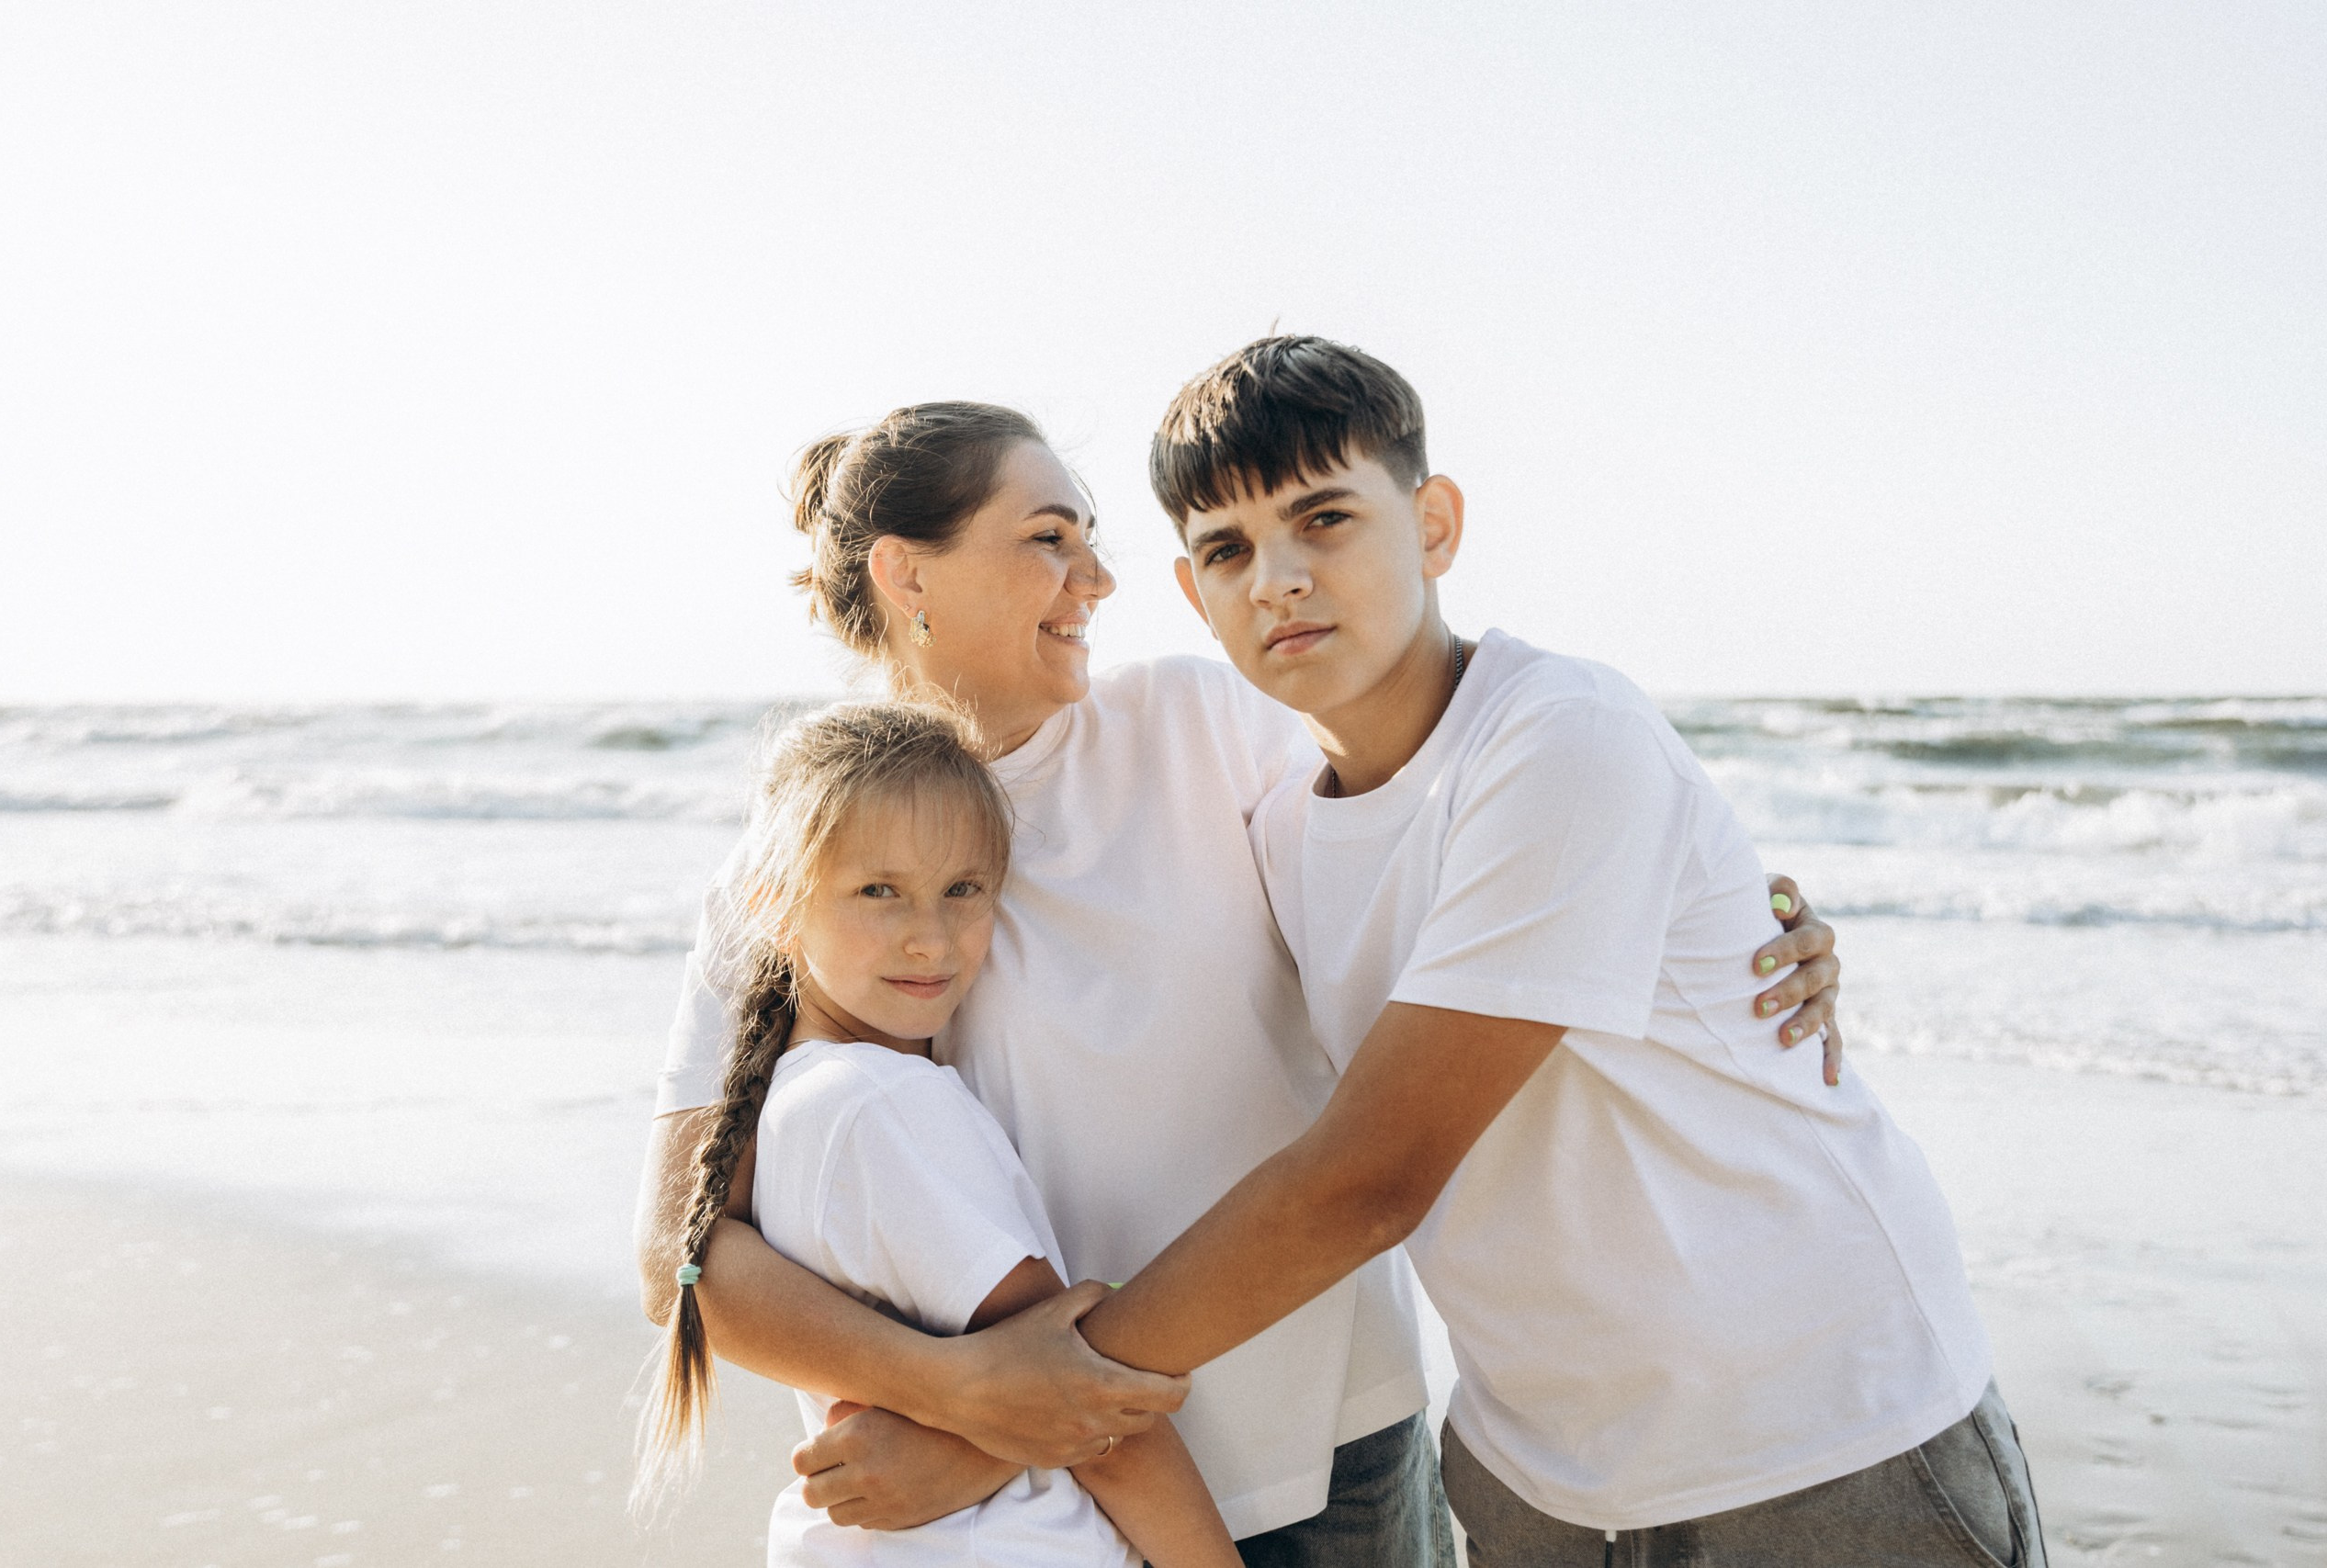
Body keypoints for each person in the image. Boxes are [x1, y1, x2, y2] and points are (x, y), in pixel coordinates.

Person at [633, 402, 1850, 1564]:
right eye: (1050, 541)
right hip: (1038, 1504)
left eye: (1093, 539)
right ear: (908, 577)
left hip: (1324, 1448)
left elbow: (1458, 851)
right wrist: (964, 1398)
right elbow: (685, 1260)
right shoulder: (797, 858)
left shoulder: (1201, 723)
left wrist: (1714, 900)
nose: (1098, 578)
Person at [1068, 335, 2047, 1566]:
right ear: (1192, 587)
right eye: (1229, 548)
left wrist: (1028, 1398)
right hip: (1541, 1476)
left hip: (1822, 1439)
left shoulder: (1560, 735)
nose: (1278, 578)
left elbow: (1371, 1174)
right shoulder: (1273, 824)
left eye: (1324, 519)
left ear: (1434, 523)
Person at [634, 699, 1240, 1566]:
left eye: (963, 889)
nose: (930, 937)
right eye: (879, 890)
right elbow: (1100, 1414)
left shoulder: (795, 1102)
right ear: (774, 906)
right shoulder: (883, 1107)